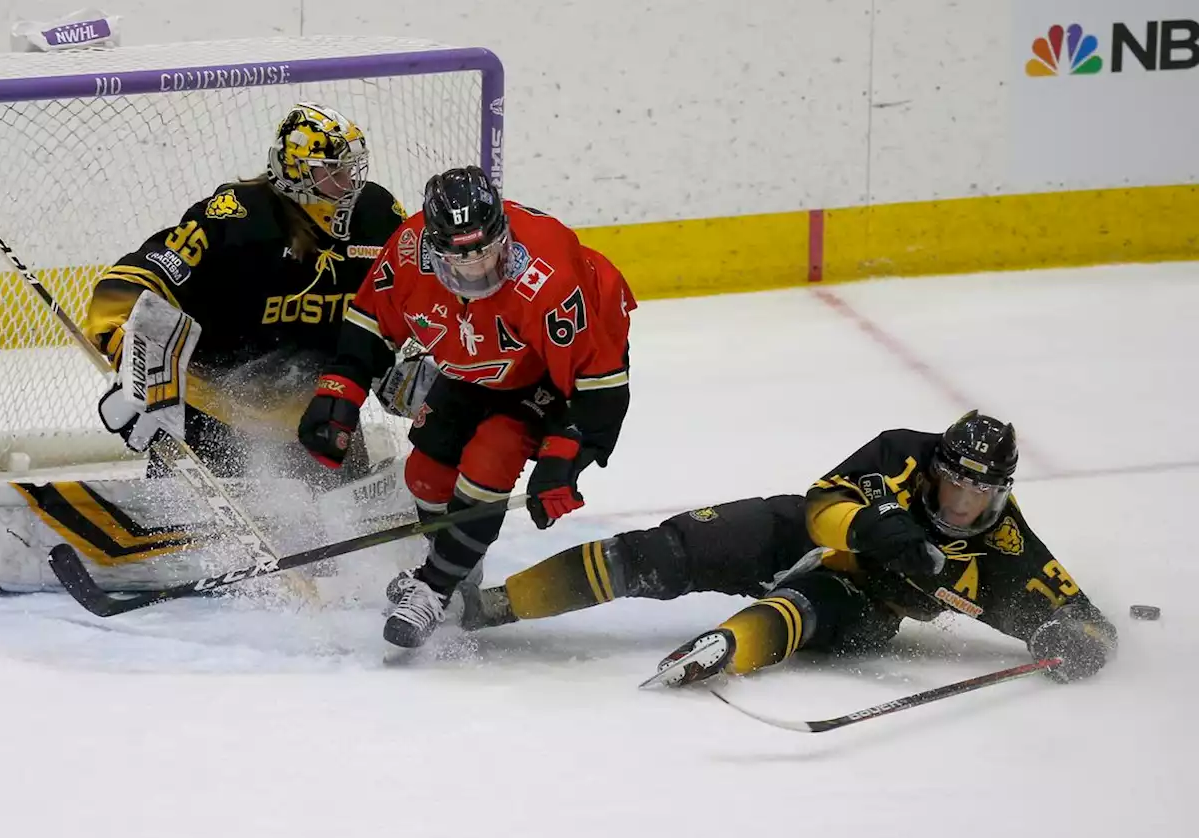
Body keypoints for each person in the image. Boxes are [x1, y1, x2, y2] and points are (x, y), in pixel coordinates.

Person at [457, 411, 1118, 685]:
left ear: (999, 490)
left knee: (805, 607)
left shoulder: (1007, 546)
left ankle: (722, 650)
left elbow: (1087, 622)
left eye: (976, 489)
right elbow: (822, 504)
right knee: (659, 550)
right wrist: (874, 529)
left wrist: (1080, 643)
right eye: (951, 480)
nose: (959, 499)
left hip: (866, 602)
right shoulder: (902, 453)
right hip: (796, 532)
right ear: (937, 464)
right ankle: (491, 605)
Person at [298, 165, 636, 648]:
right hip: (473, 366)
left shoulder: (551, 280)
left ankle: (434, 589)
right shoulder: (409, 250)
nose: (477, 268)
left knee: (489, 462)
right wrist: (340, 390)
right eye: (460, 257)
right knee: (425, 475)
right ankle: (454, 568)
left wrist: (567, 456)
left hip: (547, 372)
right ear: (435, 245)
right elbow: (372, 318)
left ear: (503, 232)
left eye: (487, 252)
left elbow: (599, 385)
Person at [83, 101, 420, 485]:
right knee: (193, 538)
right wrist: (130, 351)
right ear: (295, 172)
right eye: (332, 172)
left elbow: (416, 298)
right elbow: (147, 273)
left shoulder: (378, 216)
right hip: (212, 407)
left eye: (351, 170)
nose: (348, 185)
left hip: (321, 411)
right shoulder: (239, 217)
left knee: (347, 530)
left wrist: (415, 365)